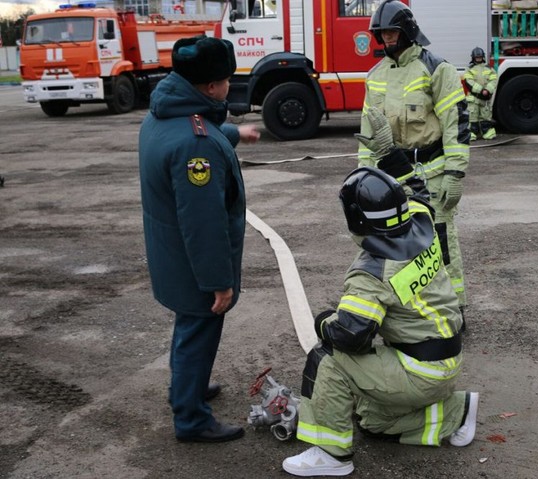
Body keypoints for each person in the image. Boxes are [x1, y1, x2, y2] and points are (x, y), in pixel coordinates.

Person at [282, 167, 478, 477]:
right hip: (444, 360)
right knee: (372, 421)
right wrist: (397, 166)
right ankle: (457, 412)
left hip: (418, 372)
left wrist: (322, 322)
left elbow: (350, 336)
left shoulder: (372, 271)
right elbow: (419, 195)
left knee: (327, 359)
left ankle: (331, 456)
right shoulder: (421, 221)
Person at [138, 35, 260, 443]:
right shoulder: (197, 146)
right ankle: (191, 418)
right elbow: (203, 222)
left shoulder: (162, 115)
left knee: (188, 327)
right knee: (199, 331)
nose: (229, 85)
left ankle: (185, 387)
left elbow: (197, 127)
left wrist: (236, 133)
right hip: (193, 263)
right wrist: (218, 282)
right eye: (226, 80)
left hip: (169, 253)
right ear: (210, 87)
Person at [356, 0, 471, 319]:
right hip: (392, 177)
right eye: (382, 34)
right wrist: (363, 177)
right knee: (396, 244)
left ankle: (454, 309)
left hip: (433, 174)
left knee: (441, 243)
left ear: (407, 31)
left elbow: (456, 123)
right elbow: (368, 132)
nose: (387, 39)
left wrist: (455, 173)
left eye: (392, 32)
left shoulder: (437, 68)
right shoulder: (375, 76)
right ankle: (412, 310)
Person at [463, 47, 498, 140]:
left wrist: (488, 90)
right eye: (477, 57)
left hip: (485, 98)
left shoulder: (489, 68)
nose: (478, 59)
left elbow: (494, 79)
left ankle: (487, 133)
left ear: (483, 57)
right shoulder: (469, 69)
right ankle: (472, 134)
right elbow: (468, 81)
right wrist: (481, 90)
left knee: (485, 116)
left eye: (480, 57)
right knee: (472, 117)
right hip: (474, 98)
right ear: (473, 58)